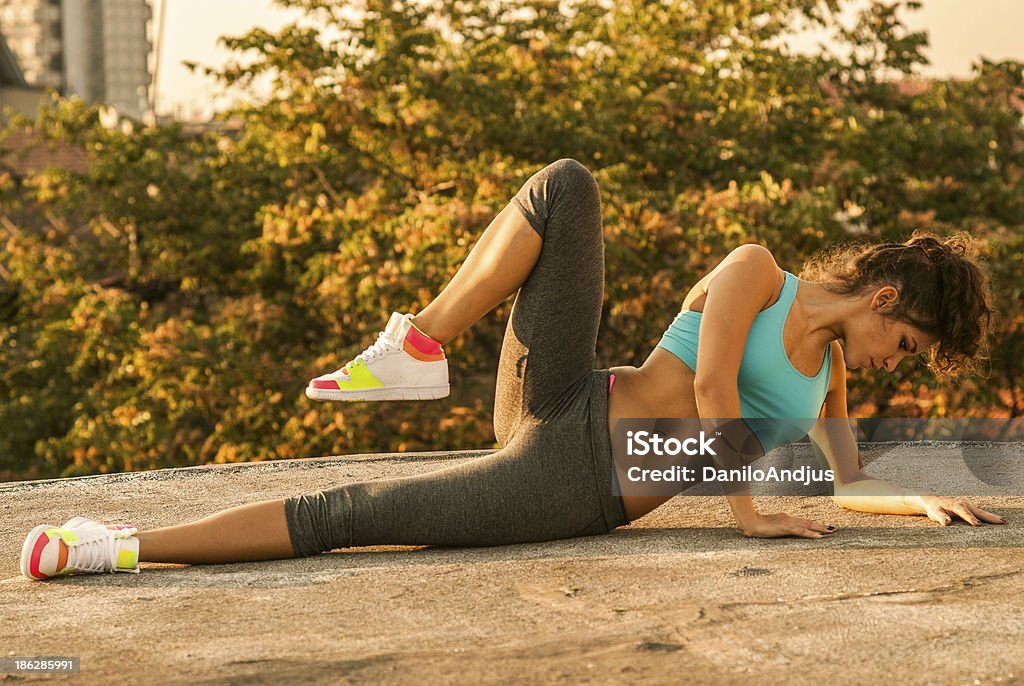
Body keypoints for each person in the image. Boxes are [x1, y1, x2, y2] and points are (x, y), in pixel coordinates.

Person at [19, 159, 1004, 581]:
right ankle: (417, 345)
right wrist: (745, 506)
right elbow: (710, 397)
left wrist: (912, 506)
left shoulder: (829, 380)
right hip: (572, 396)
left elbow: (832, 475)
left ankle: (115, 544)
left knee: (350, 515)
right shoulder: (756, 273)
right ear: (885, 302)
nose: (888, 367)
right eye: (906, 347)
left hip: (576, 485)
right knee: (564, 187)